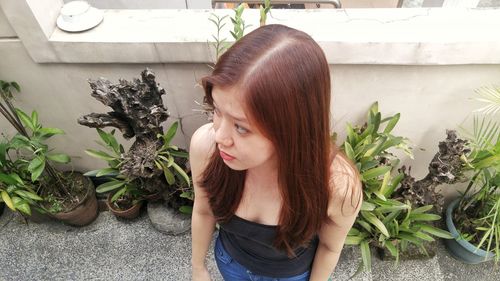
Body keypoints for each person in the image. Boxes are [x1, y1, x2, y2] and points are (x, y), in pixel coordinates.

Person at [190, 24, 362, 281]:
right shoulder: (206, 147)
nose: (220, 136)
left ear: (292, 128)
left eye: (241, 127)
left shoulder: (336, 185)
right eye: (216, 110)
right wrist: (198, 269)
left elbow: (330, 246)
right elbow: (203, 210)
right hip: (229, 262)